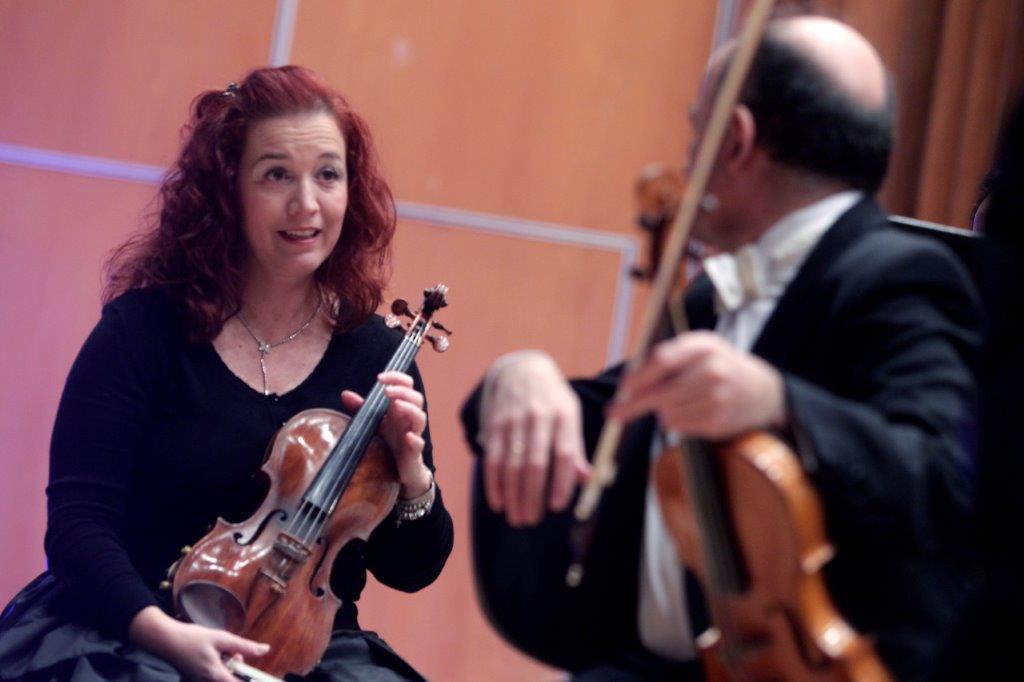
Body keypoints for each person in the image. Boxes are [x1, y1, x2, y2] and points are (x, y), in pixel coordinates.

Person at [462, 16, 981, 681]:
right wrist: (520, 373)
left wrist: (779, 402)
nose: (687, 157)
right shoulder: (713, 296)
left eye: (695, 130)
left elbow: (944, 484)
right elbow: (612, 413)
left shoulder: (899, 278)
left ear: (734, 141)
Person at [0, 66, 454, 682]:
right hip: (137, 633)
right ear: (226, 192)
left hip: (305, 653)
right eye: (275, 175)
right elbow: (80, 524)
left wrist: (412, 473)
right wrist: (167, 637)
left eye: (328, 174)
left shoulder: (377, 354)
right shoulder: (142, 332)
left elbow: (412, 569)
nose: (307, 203)